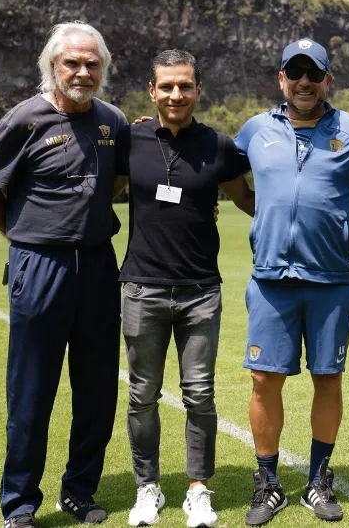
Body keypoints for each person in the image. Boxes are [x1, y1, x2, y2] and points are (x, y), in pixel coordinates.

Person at [0, 21, 129, 528]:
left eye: (92, 63)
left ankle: (79, 492)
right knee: (32, 390)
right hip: (40, 267)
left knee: (98, 389)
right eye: (72, 63)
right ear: (52, 66)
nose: (82, 71)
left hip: (99, 265)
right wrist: (21, 236)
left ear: (103, 69)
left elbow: (124, 177)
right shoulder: (25, 118)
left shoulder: (113, 120)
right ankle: (19, 505)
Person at [233, 38, 349, 526]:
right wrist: (265, 218)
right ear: (281, 79)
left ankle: (318, 481)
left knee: (328, 378)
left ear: (328, 80)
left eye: (313, 74)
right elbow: (230, 178)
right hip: (271, 280)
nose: (304, 82)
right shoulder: (255, 131)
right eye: (294, 73)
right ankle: (268, 483)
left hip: (332, 281)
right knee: (264, 381)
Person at [117, 49, 254, 528]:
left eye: (185, 86)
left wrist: (296, 224)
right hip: (141, 288)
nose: (177, 94)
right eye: (167, 87)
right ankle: (147, 487)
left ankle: (199, 490)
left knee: (200, 394)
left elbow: (246, 200)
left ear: (198, 90)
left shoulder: (218, 146)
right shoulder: (128, 139)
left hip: (200, 292)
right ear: (152, 91)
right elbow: (102, 189)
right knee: (142, 395)